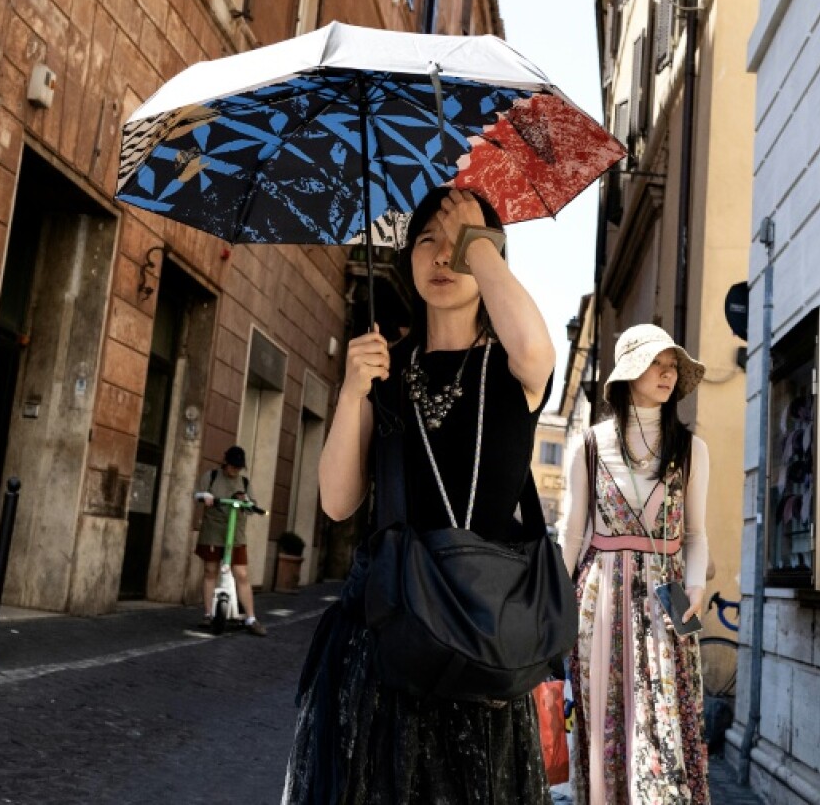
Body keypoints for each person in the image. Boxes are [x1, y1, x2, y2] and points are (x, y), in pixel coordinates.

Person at [282, 186, 556, 804]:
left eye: (457, 242)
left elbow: (538, 350)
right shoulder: (385, 367)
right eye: (425, 242)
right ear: (404, 259)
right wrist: (353, 391)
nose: (441, 257)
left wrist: (476, 242)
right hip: (388, 638)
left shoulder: (512, 366)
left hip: (482, 633)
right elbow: (336, 501)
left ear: (491, 255)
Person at [559, 324, 711, 804]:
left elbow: (696, 534)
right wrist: (552, 604)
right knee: (605, 720)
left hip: (667, 602)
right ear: (628, 373)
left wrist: (696, 587)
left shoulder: (690, 450)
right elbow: (571, 532)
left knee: (664, 726)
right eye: (657, 364)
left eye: (674, 367)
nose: (668, 375)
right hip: (599, 597)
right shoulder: (588, 444)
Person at [193, 445, 267, 636]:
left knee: (241, 574)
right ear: (226, 462)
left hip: (236, 535)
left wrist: (248, 502)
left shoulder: (244, 482)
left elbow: (253, 505)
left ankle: (251, 618)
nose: (235, 471)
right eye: (233, 466)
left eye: (239, 467)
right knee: (210, 571)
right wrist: (205, 496)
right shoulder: (211, 477)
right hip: (213, 531)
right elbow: (197, 494)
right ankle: (208, 614)